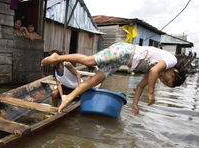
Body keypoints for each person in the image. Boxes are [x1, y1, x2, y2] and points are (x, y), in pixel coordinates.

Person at [41, 42, 194, 114]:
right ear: (173, 71)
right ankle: (57, 57)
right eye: (167, 80)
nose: (163, 80)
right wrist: (151, 93)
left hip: (122, 61)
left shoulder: (155, 70)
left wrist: (135, 104)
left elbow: (140, 86)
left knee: (97, 79)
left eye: (165, 83)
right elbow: (154, 71)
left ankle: (68, 98)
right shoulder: (171, 61)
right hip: (124, 51)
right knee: (89, 61)